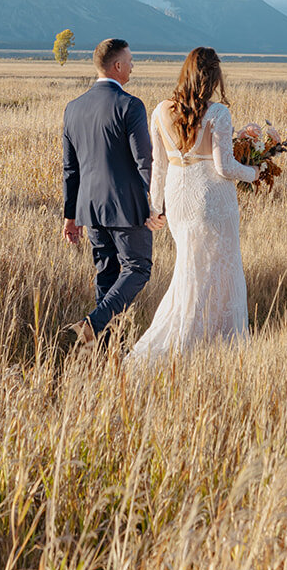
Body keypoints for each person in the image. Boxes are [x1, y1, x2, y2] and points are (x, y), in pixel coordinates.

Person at [126, 47, 265, 367]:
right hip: (212, 198)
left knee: (190, 269)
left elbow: (157, 166)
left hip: (178, 198)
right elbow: (225, 167)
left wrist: (155, 207)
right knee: (222, 271)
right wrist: (254, 173)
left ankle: (181, 339)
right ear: (213, 77)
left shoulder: (160, 110)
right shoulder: (217, 113)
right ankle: (216, 346)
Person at [62, 37, 166, 347]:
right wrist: (157, 203)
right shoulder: (130, 105)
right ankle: (92, 324)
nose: (133, 66)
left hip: (89, 207)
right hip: (125, 205)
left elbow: (70, 168)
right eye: (130, 60)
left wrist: (70, 216)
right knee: (137, 267)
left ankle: (106, 350)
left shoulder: (73, 107)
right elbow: (144, 160)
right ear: (117, 66)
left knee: (107, 273)